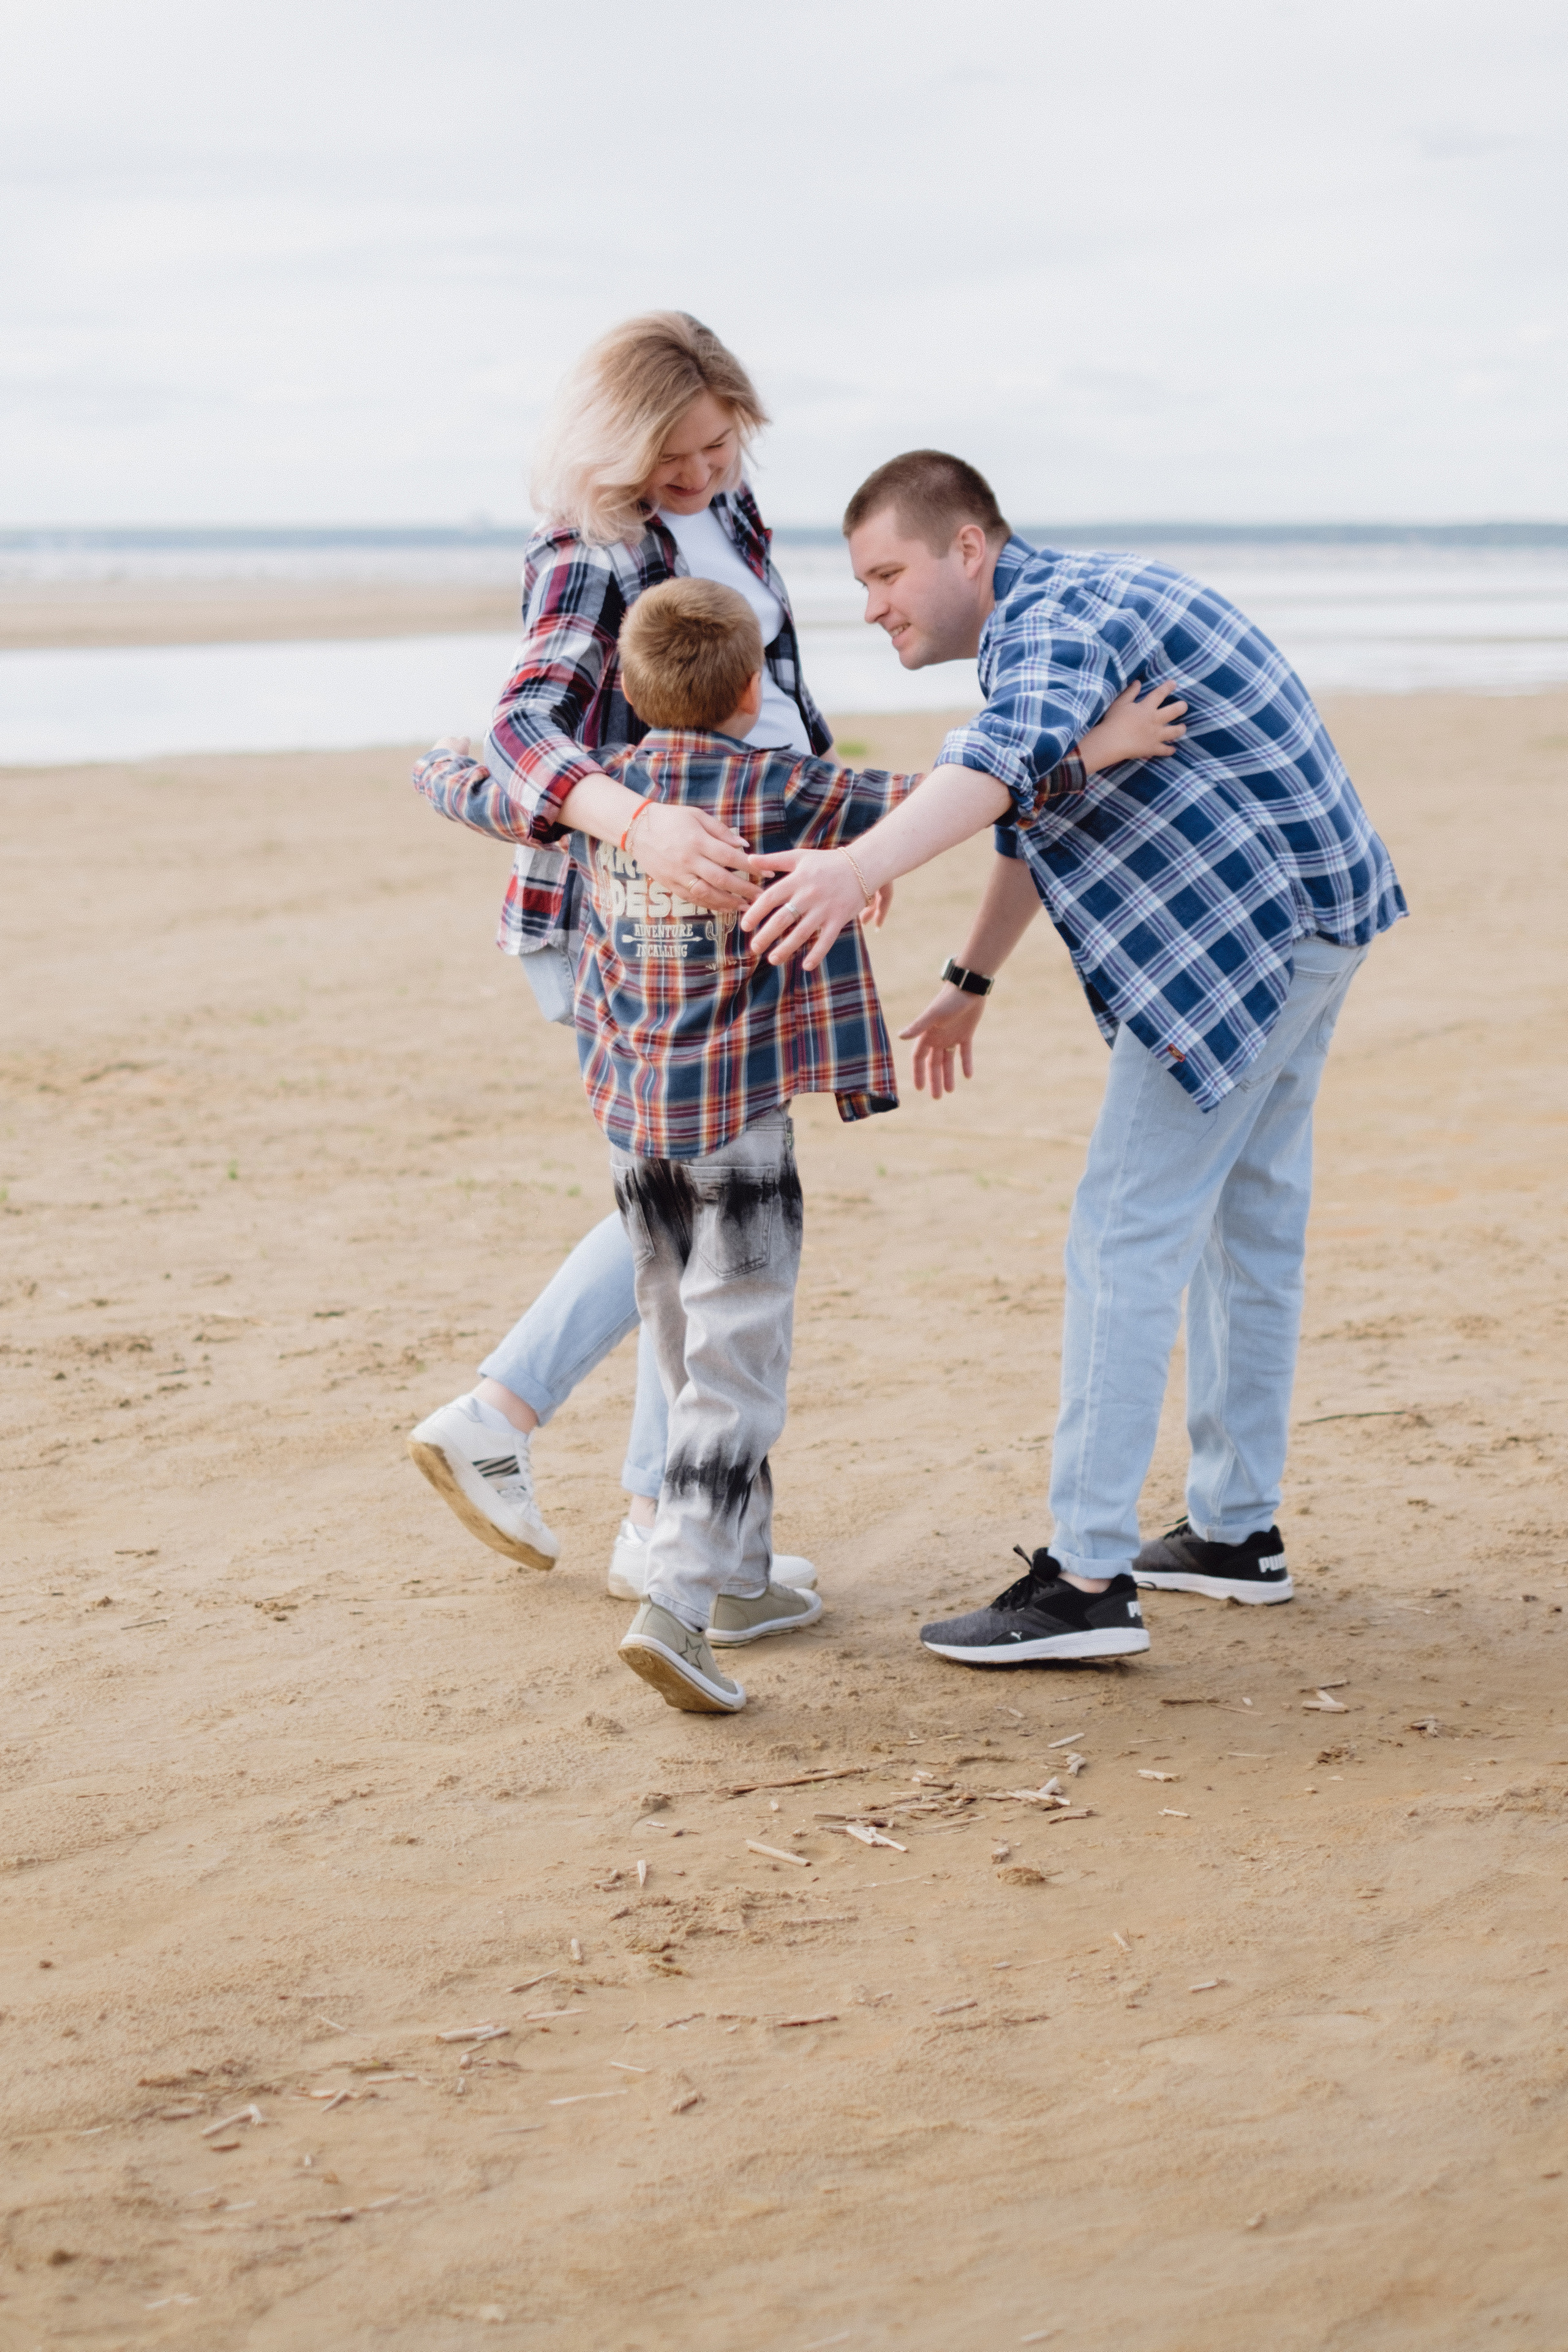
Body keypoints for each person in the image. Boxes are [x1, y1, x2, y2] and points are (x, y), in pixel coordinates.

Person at [417, 576, 1183, 1712]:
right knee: (735, 1379)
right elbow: (960, 800)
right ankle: (677, 1610)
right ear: (747, 694)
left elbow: (463, 785)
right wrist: (1104, 746)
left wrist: (451, 751)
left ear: (627, 691)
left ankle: (731, 1583)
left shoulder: (601, 791)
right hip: (741, 1140)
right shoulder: (782, 785)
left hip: (638, 1133)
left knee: (685, 1362)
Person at [742, 450, 1407, 1671]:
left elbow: (998, 764)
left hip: (1250, 939)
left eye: (888, 571)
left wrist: (855, 868)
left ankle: (1087, 1578)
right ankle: (1231, 1532)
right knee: (1247, 1220)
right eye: (861, 580)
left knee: (1122, 1233)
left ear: (968, 550)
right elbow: (1031, 800)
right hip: (1316, 918)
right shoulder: (1084, 608)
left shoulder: (1053, 618)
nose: (872, 602)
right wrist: (968, 980)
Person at [406, 313, 837, 1601]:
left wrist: (823, 844)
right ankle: (654, 1524)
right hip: (620, 921)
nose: (705, 469)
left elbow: (775, 700)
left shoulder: (734, 518)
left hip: (729, 906)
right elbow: (523, 731)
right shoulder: (588, 549)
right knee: (702, 1217)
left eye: (722, 442)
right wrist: (641, 819)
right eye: (681, 448)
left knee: (681, 1207)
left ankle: (556, 1453)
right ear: (621, 438)